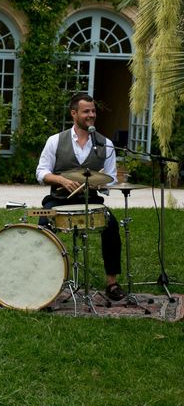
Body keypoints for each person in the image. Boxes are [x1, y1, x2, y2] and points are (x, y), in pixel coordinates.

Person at [36, 92, 126, 301]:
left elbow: (111, 178)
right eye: (86, 111)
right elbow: (41, 172)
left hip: (91, 200)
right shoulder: (55, 141)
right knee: (43, 225)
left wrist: (95, 182)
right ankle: (44, 278)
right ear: (74, 114)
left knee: (111, 225)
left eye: (93, 111)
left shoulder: (106, 144)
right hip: (59, 199)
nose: (91, 115)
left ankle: (112, 283)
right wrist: (62, 180)